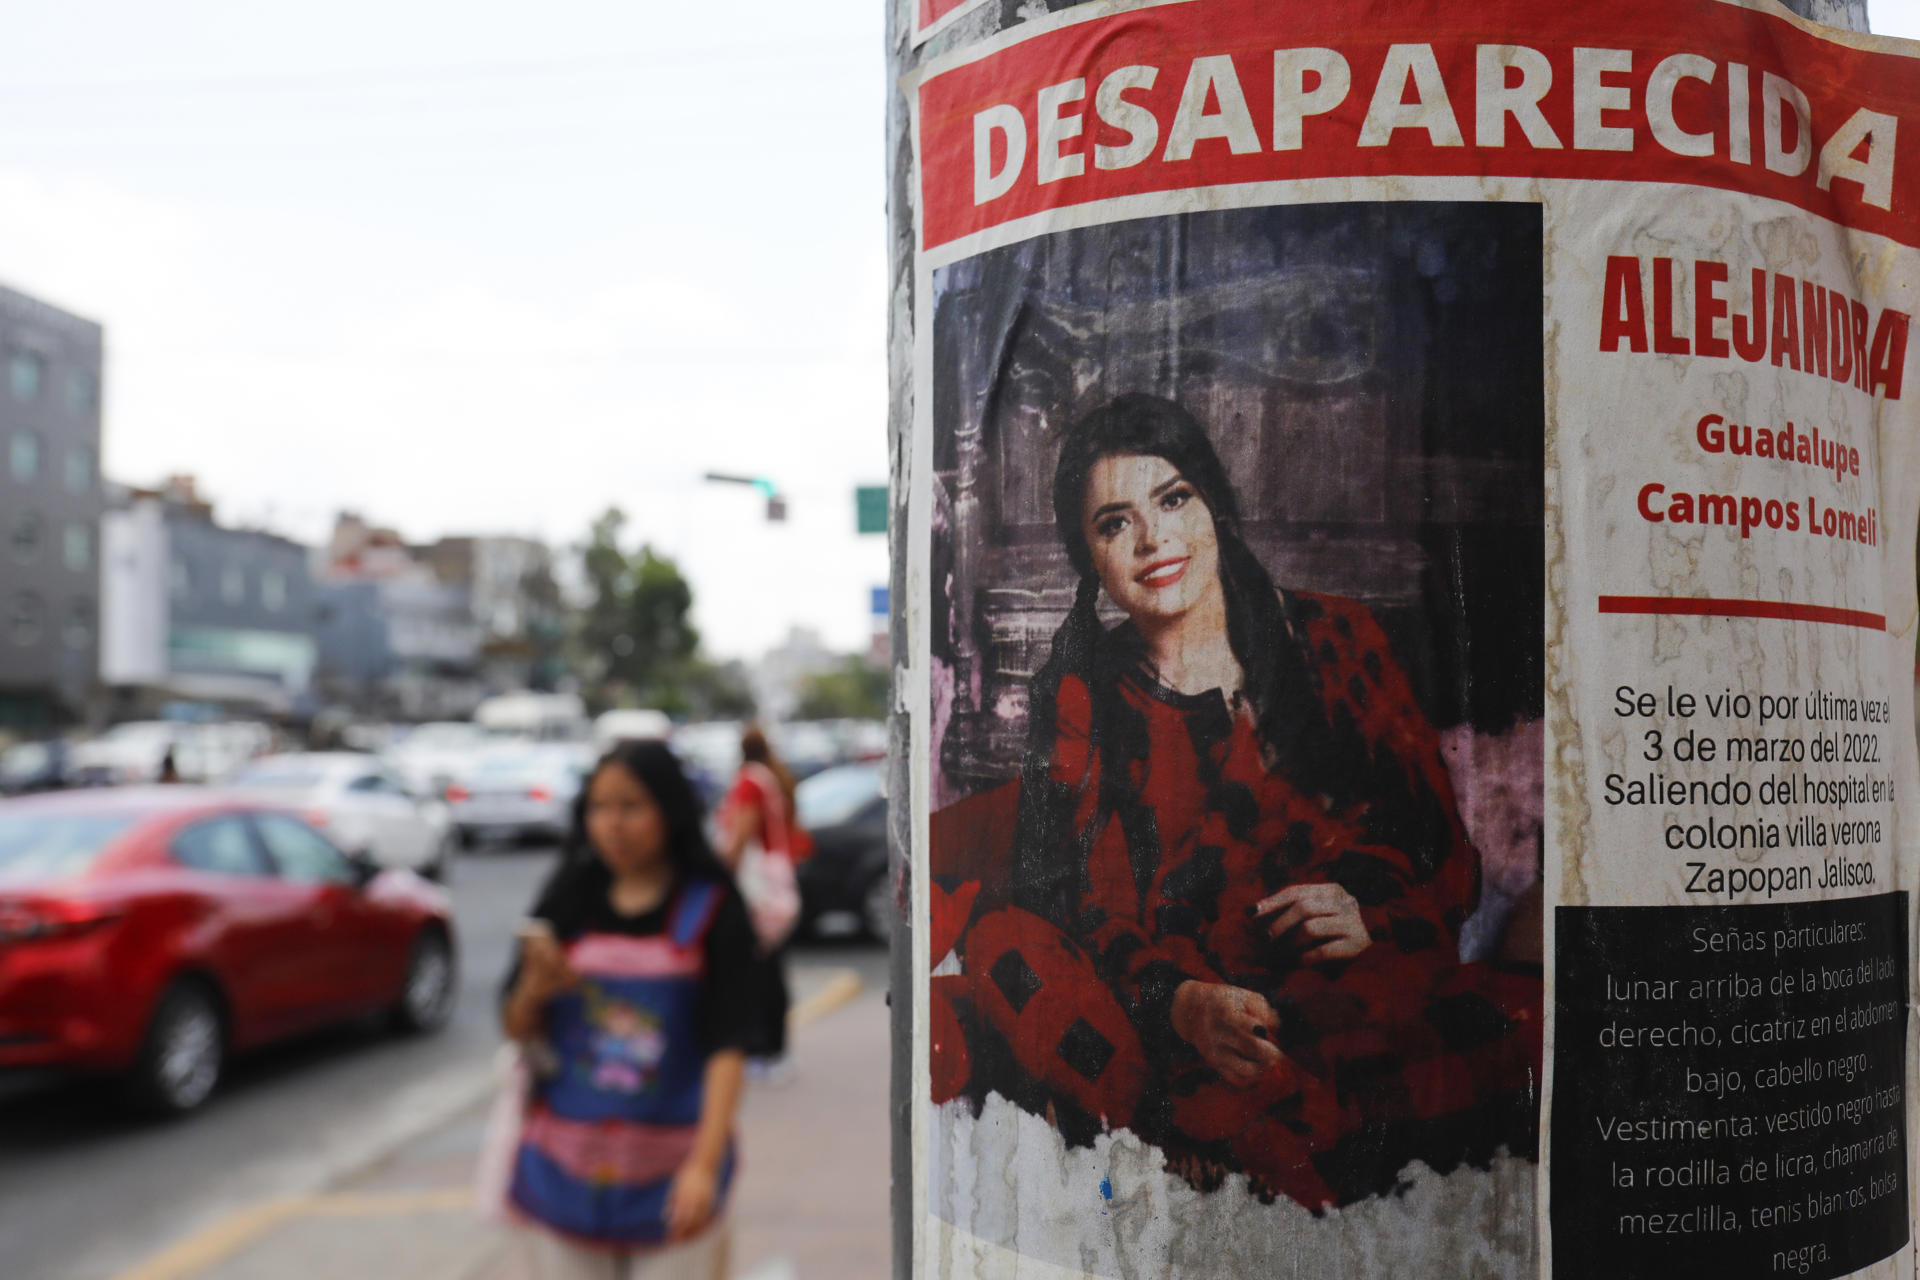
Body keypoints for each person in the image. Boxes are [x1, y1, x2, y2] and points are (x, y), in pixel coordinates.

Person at [962, 392, 1540, 1208]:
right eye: (1114, 523)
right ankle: (1209, 1117)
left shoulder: (1336, 640)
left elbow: (1440, 853)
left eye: (1172, 500)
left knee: (1534, 1017)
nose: (1154, 540)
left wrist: (1366, 905)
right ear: (1088, 558)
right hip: (1162, 1013)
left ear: (1214, 507)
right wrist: (1183, 1005)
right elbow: (1068, 904)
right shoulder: (1083, 693)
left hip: (1329, 997)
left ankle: (1254, 1121)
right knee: (1007, 952)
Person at [500, 740, 760, 1279]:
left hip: (672, 1177)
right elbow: (515, 1024)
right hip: (564, 1171)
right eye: (599, 807)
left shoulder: (713, 907)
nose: (612, 825)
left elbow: (728, 1044)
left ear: (669, 809)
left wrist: (703, 1167)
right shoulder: (569, 898)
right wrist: (535, 989)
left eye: (630, 807)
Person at [716, 726, 801, 1072]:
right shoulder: (772, 777)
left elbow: (740, 836)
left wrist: (721, 878)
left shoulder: (750, 781)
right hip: (776, 882)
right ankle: (774, 1048)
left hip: (758, 890)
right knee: (770, 968)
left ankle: (765, 1049)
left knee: (757, 970)